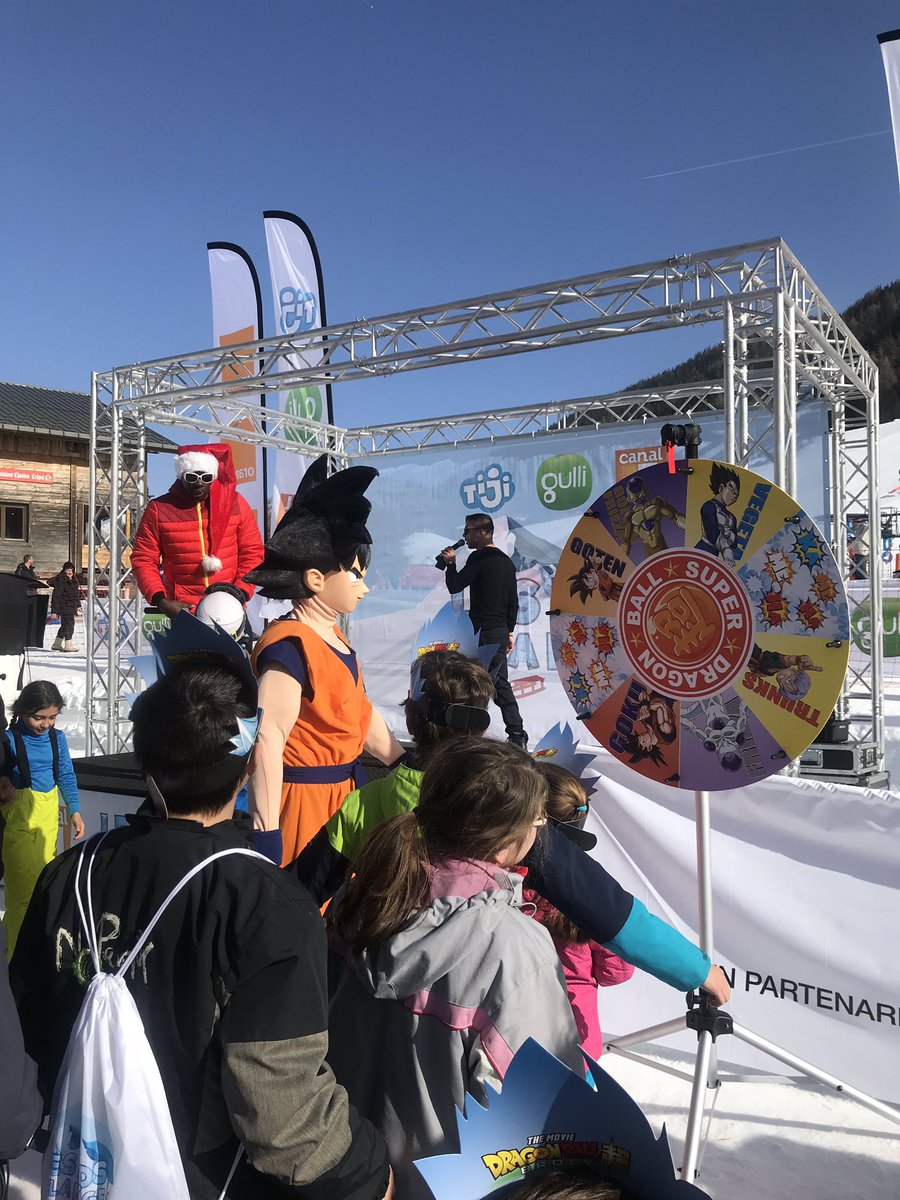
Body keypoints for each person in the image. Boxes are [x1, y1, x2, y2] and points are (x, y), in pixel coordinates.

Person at [10, 617, 393, 1200]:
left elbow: (28, 1034)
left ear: (146, 763)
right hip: (206, 1179)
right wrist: (371, 1172)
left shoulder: (65, 875)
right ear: (245, 766)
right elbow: (284, 1119)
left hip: (78, 1167)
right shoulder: (266, 904)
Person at [291, 650, 731, 1011]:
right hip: (465, 1003)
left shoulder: (365, 802)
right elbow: (600, 900)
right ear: (483, 726)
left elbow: (298, 893)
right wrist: (693, 968)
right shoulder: (504, 810)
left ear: (412, 722)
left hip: (366, 989)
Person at [326, 738, 583, 1197]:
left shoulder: (360, 897)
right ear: (508, 843)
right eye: (538, 819)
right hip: (448, 1186)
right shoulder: (516, 948)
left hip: (346, 1170)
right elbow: (543, 1114)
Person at [244, 456, 404, 866]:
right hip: (304, 808)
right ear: (316, 579)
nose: (364, 588)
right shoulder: (289, 645)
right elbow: (267, 741)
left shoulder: (333, 637)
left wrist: (401, 760)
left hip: (347, 797)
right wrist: (266, 832)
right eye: (354, 574)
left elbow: (357, 712)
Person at [521, 761, 634, 1061]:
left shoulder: (504, 878)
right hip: (579, 1040)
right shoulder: (596, 890)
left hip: (513, 1032)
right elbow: (616, 972)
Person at [131, 443, 265, 619]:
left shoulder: (236, 504)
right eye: (192, 477)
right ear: (181, 476)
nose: (199, 483)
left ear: (214, 476)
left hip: (229, 608)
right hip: (182, 612)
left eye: (206, 477)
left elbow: (252, 552)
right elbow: (143, 559)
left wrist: (240, 591)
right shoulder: (159, 509)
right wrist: (160, 600)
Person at [1, 681, 84, 957]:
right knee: (22, 889)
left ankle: (36, 949)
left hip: (48, 817)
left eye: (52, 717)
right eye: (39, 717)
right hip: (19, 820)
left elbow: (66, 775)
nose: (45, 724)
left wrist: (74, 810)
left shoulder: (56, 739)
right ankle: (18, 955)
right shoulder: (9, 740)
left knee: (44, 886)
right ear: (23, 711)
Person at [440, 513, 527, 747]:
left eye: (468, 531)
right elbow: (513, 602)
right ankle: (516, 733)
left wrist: (450, 564)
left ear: (482, 531)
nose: (465, 536)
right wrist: (508, 631)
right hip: (497, 631)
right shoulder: (506, 562)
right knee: (497, 683)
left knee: (475, 681)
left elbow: (455, 585)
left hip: (481, 632)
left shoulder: (479, 559)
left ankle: (469, 734)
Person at [695, 463, 740, 566]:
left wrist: (730, 536)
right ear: (721, 488)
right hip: (703, 550)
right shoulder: (709, 506)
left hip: (716, 556)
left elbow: (735, 543)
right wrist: (725, 549)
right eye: (731, 490)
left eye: (736, 495)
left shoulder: (732, 517)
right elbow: (711, 532)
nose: (734, 496)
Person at [49, 560, 81, 652]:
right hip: (63, 606)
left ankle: (56, 644)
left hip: (70, 606)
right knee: (69, 624)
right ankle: (68, 645)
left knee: (64, 625)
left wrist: (78, 605)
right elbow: (56, 596)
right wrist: (54, 611)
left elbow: (75, 595)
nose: (70, 572)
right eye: (68, 570)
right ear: (64, 570)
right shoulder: (61, 581)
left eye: (71, 570)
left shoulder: (73, 580)